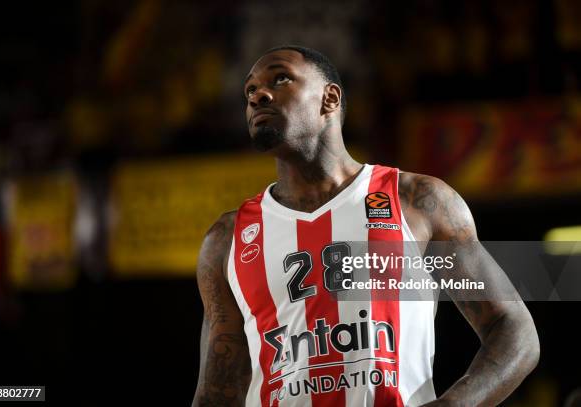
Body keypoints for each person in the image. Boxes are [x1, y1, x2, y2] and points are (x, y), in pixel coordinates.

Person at [192, 45, 539, 406]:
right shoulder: (227, 239)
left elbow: (514, 331)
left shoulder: (417, 202)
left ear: (330, 98)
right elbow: (218, 391)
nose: (258, 95)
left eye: (280, 79)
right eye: (250, 90)